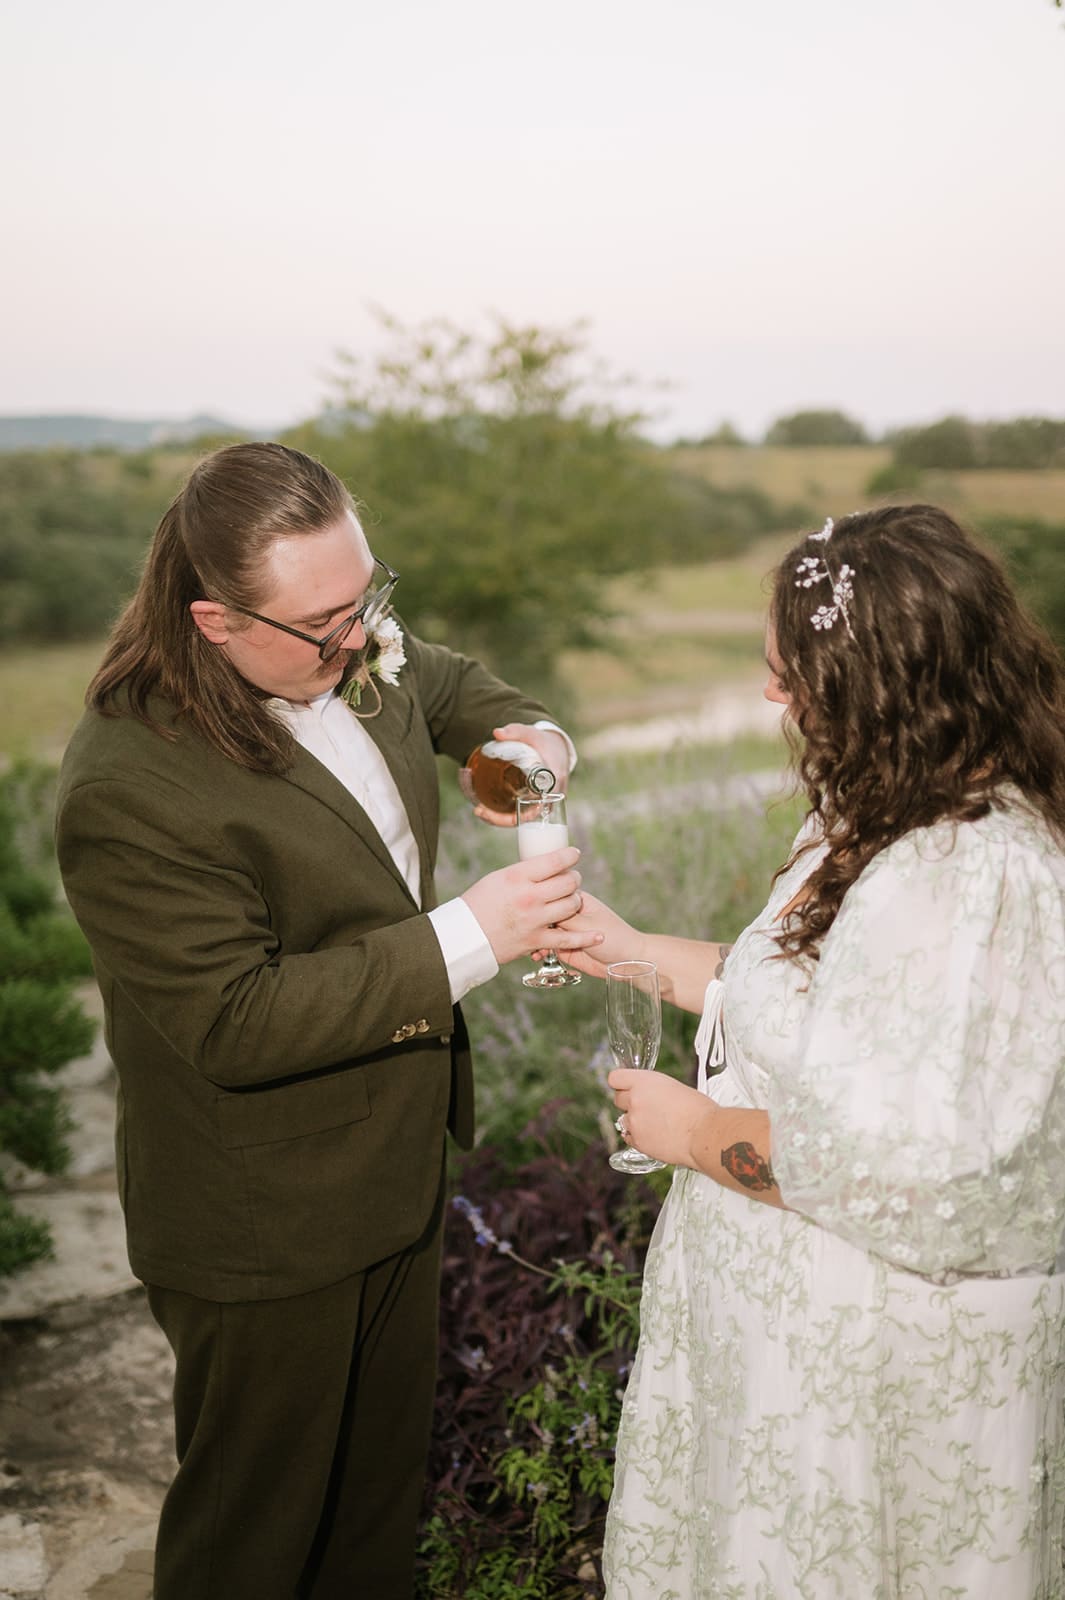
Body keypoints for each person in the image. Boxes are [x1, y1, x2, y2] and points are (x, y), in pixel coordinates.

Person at [53, 441, 597, 1600]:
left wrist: (532, 747)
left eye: (367, 602)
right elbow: (234, 1019)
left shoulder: (349, 646)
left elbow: (455, 688)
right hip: (261, 1223)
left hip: (395, 1171)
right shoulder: (127, 784)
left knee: (369, 1524)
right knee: (252, 1543)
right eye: (324, 625)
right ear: (213, 620)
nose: (360, 641)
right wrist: (478, 934)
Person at [560, 504, 1065, 1597]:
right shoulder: (887, 806)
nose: (770, 696)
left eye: (791, 677)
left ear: (873, 689)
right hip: (798, 1344)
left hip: (879, 1371)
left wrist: (690, 1131)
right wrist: (627, 948)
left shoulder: (963, 874)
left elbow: (927, 1176)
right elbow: (823, 1004)